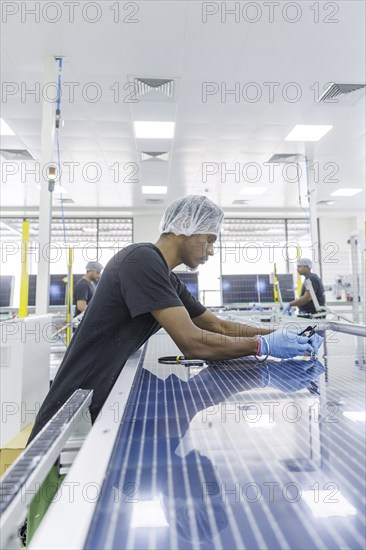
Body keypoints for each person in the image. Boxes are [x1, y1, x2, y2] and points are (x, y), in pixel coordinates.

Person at [28, 196, 322, 443]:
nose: (211, 249)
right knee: (44, 505)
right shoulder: (141, 260)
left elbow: (215, 325)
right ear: (185, 228)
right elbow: (194, 343)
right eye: (209, 239)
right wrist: (262, 345)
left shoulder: (165, 276)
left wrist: (280, 333)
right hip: (72, 411)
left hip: (97, 396)